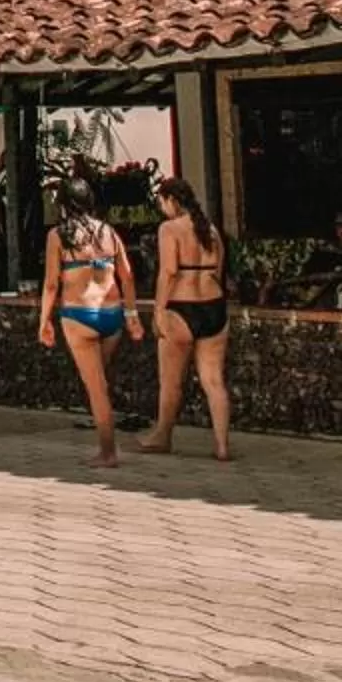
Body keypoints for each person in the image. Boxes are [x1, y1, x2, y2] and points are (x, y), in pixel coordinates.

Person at [39, 175, 142, 468]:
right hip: (111, 314)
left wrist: (44, 320)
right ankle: (107, 443)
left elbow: (50, 284)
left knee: (96, 387)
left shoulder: (58, 237)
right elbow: (128, 276)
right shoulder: (108, 233)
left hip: (78, 314)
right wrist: (132, 316)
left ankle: (108, 451)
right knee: (101, 381)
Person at [141, 177, 232, 462]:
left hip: (181, 306)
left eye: (162, 202)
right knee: (214, 380)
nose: (162, 208)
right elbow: (219, 270)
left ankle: (163, 434)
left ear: (171, 200)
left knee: (171, 381)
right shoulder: (212, 230)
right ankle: (222, 445)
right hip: (214, 305)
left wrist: (158, 310)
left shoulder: (169, 229)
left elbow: (167, 271)